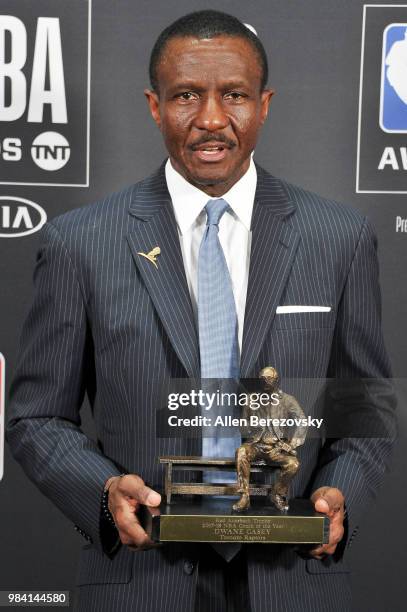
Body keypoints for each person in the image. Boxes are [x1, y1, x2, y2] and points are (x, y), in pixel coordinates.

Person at [6, 9, 395, 612]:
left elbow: (365, 409)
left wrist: (340, 495)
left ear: (264, 104)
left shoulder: (336, 237)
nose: (211, 119)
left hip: (294, 581)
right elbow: (36, 417)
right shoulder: (80, 242)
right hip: (140, 582)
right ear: (154, 105)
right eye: (187, 94)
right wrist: (104, 490)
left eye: (233, 95)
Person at [233, 366, 306, 512]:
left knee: (294, 464)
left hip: (276, 448)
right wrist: (251, 427)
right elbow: (242, 425)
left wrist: (292, 443)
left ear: (277, 380)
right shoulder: (251, 399)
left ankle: (277, 493)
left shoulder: (287, 400)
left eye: (269, 378)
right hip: (256, 445)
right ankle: (244, 497)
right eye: (263, 378)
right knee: (241, 452)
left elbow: (302, 420)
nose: (266, 381)